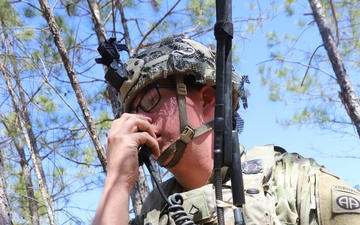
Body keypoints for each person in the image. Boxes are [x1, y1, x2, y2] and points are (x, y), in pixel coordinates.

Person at [93, 37, 360, 225]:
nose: (141, 122)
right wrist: (117, 182)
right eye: (134, 112)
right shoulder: (154, 214)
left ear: (208, 99)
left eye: (151, 100)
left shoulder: (290, 181)